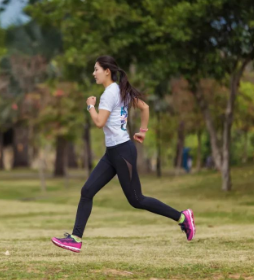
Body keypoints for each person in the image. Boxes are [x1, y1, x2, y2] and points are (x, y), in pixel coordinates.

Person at [51, 56, 196, 253]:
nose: (94, 73)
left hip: (122, 151)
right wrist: (142, 132)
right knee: (87, 191)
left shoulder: (110, 94)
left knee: (137, 199)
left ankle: (182, 217)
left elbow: (99, 122)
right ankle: (75, 239)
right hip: (113, 152)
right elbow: (145, 107)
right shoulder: (120, 90)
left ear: (107, 71)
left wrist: (90, 106)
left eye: (96, 69)